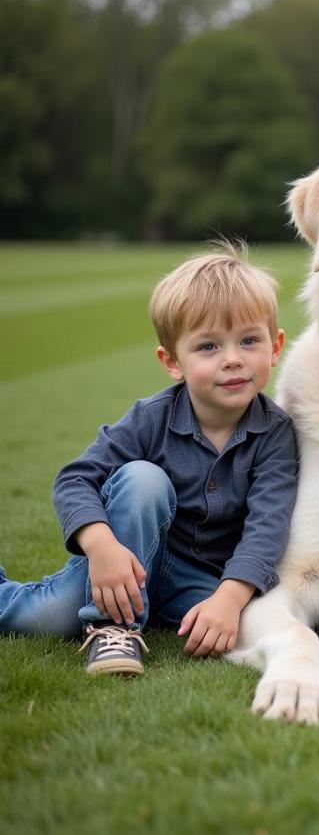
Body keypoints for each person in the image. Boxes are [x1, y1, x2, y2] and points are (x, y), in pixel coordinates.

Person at [0, 242, 298, 676]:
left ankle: (155, 612)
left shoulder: (275, 433)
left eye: (249, 341)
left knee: (242, 624)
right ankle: (111, 629)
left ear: (275, 347)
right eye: (208, 347)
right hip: (122, 563)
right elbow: (76, 479)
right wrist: (101, 547)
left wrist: (229, 599)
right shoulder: (151, 418)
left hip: (199, 579)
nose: (233, 359)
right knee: (44, 615)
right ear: (172, 362)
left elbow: (268, 525)